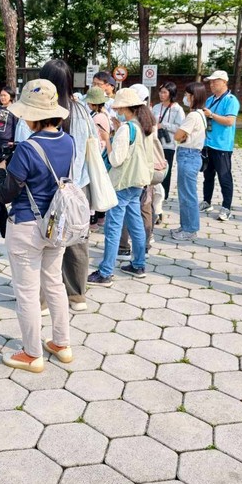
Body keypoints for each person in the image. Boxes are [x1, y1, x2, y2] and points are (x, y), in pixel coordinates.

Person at [0, 79, 74, 373]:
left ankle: (32, 353)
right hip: (56, 224)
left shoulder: (28, 148)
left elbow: (7, 193)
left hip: (27, 225)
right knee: (54, 284)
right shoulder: (69, 141)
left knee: (27, 292)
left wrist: (0, 167)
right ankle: (62, 344)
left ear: (33, 115)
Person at [42, 59, 97, 311]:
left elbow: (23, 143)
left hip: (44, 188)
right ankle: (77, 296)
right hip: (77, 186)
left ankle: (42, 299)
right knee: (77, 238)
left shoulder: (37, 110)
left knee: (44, 239)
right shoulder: (82, 111)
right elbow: (94, 144)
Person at [87, 88, 155, 287]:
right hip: (138, 182)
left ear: (125, 107)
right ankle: (139, 264)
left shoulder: (127, 128)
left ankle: (105, 272)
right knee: (136, 224)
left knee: (113, 227)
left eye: (118, 107)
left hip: (122, 183)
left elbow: (116, 160)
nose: (116, 110)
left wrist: (107, 139)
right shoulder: (144, 125)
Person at [118, 84, 165, 258]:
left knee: (126, 212)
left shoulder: (132, 125)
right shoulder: (148, 118)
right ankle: (142, 250)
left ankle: (123, 248)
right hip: (146, 172)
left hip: (132, 174)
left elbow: (119, 157)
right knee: (144, 208)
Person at [200, 70, 240, 221]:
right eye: (210, 82)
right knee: (207, 175)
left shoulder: (231, 100)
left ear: (224, 82)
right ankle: (206, 201)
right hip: (208, 143)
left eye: (215, 81)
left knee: (224, 177)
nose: (211, 84)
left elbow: (229, 121)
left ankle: (226, 207)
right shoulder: (210, 99)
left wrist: (211, 115)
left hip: (222, 145)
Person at [172, 82, 208, 241]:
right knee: (185, 194)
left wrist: (181, 135)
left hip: (188, 155)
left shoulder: (193, 116)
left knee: (188, 195)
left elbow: (178, 135)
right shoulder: (199, 114)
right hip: (191, 155)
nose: (185, 98)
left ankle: (190, 229)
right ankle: (185, 225)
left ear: (194, 97)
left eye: (187, 95)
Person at [152, 82, 185, 206]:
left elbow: (180, 127)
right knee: (154, 168)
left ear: (171, 93)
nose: (162, 95)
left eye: (165, 92)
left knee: (166, 170)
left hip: (168, 144)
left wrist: (164, 125)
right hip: (155, 143)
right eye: (161, 92)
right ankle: (153, 192)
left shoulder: (177, 109)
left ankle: (164, 195)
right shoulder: (156, 107)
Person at [85, 86, 111, 231]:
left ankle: (93, 220)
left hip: (97, 153)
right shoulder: (103, 114)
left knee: (94, 185)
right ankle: (100, 217)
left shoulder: (97, 117)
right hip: (102, 152)